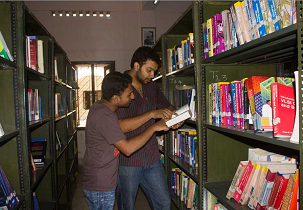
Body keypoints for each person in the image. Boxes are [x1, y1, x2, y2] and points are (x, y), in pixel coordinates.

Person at [82, 72, 173, 210]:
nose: (133, 96)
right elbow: (128, 148)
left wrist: (152, 114)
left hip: (102, 180)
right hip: (100, 184)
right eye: (129, 94)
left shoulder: (101, 106)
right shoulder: (104, 116)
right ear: (115, 98)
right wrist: (154, 127)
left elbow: (121, 127)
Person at [116, 46, 181, 210]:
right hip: (128, 161)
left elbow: (168, 106)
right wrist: (152, 114)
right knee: (127, 206)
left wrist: (173, 118)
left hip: (152, 158)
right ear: (136, 66)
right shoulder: (118, 87)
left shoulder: (151, 86)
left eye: (155, 72)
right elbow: (119, 127)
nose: (153, 75)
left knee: (164, 203)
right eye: (149, 70)